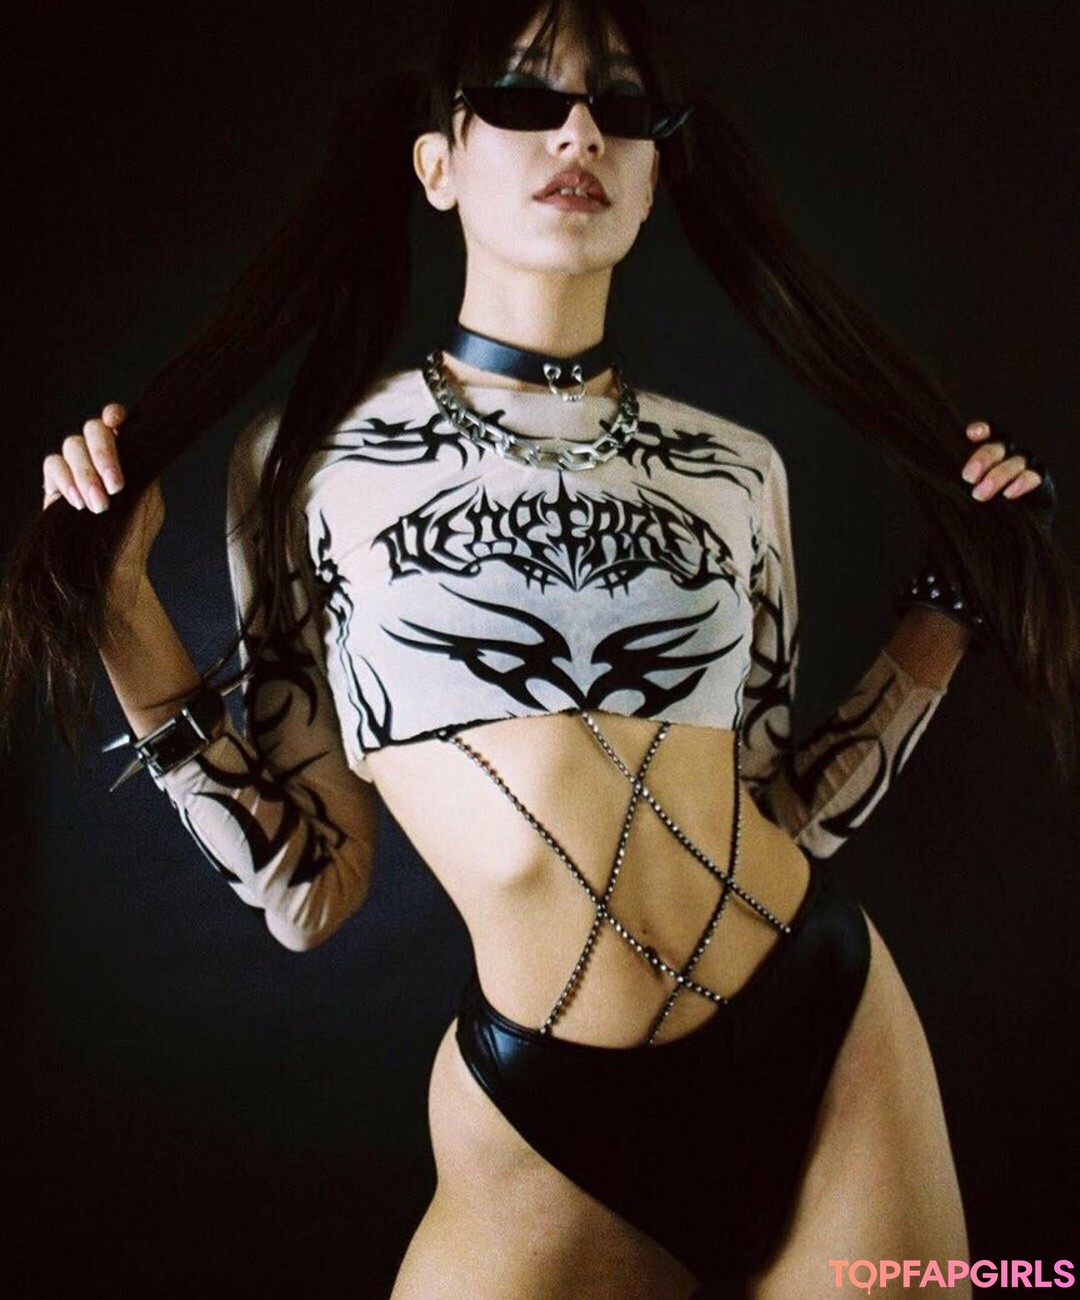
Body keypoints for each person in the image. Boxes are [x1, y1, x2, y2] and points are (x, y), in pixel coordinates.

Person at [3, 1, 1076, 1295]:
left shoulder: (736, 470)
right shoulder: (306, 469)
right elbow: (310, 892)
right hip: (545, 1121)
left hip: (832, 1030)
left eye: (620, 106)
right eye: (524, 97)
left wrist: (953, 605)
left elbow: (780, 815)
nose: (579, 131)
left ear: (653, 176)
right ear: (437, 164)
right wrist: (121, 612)